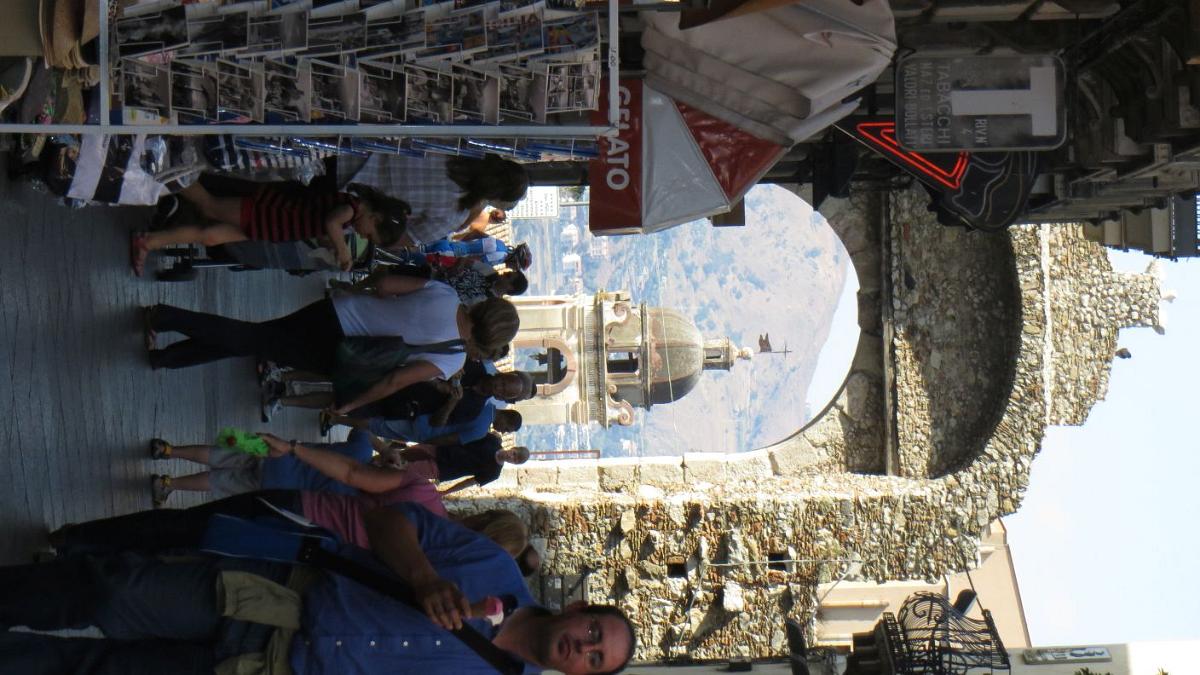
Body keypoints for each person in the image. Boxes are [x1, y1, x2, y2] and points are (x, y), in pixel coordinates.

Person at [13, 501, 636, 674]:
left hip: (270, 670)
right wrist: (421, 575)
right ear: (579, 607)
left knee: (98, 669)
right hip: (273, 595)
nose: (583, 646)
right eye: (593, 631)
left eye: (594, 658)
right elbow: (388, 518)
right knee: (109, 593)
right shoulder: (494, 567)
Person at [144, 285, 520, 414]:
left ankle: (168, 357)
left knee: (254, 338)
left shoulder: (445, 294)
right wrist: (351, 404)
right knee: (250, 338)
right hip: (342, 352)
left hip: (336, 312)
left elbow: (386, 285)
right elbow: (395, 381)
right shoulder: (453, 358)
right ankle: (166, 318)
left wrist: (360, 295)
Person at [130, 181, 410, 276]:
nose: (361, 236)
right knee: (208, 206)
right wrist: (343, 251)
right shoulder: (350, 207)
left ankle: (149, 241)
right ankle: (169, 175)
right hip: (266, 213)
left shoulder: (350, 215)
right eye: (368, 234)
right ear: (375, 217)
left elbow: (322, 225)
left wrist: (329, 244)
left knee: (210, 236)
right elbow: (330, 222)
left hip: (266, 226)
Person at [146, 429, 375, 507]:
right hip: (277, 486)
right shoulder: (358, 502)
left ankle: (168, 450)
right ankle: (167, 484)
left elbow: (361, 429)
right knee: (218, 482)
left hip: (276, 450)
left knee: (217, 454)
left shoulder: (363, 451)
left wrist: (384, 449)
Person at [339, 153, 529, 246]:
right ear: (495, 196)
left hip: (349, 153)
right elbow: (403, 239)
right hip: (346, 206)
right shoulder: (454, 214)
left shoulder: (456, 146)